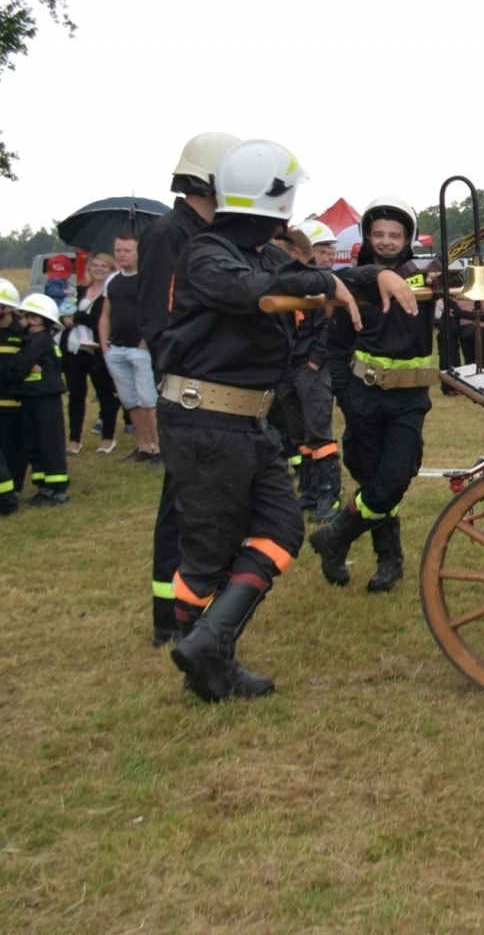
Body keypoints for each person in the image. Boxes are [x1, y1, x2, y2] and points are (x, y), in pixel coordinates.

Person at [160, 139, 361, 701]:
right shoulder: (207, 254)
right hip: (204, 422)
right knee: (208, 554)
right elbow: (253, 292)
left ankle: (209, 644)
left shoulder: (263, 255)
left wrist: (381, 279)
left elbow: (307, 275)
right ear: (280, 199)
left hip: (249, 422)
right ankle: (206, 661)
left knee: (282, 528)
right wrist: (321, 284)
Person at [135, 131, 243, 647]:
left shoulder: (212, 235)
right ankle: (169, 619)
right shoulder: (169, 234)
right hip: (192, 393)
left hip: (218, 390)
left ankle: (199, 605)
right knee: (181, 511)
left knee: (212, 510)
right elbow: (161, 321)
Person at [313, 195, 437, 594]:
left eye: (394, 235)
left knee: (394, 477)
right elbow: (336, 346)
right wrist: (344, 393)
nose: (386, 241)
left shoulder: (426, 275)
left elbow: (459, 291)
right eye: (378, 234)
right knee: (371, 476)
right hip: (363, 395)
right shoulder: (350, 280)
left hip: (409, 397)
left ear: (408, 238)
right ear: (367, 236)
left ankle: (335, 535)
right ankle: (389, 561)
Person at [276, 221, 343, 521]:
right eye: (322, 250)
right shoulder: (283, 279)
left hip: (310, 365)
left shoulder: (323, 283)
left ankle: (330, 493)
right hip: (287, 365)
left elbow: (331, 326)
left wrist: (316, 360)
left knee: (318, 429)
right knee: (298, 431)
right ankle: (311, 490)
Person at [100, 233, 161, 464]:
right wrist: (105, 345)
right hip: (116, 349)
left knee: (149, 400)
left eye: (127, 250)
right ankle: (143, 447)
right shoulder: (112, 280)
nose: (121, 255)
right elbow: (105, 314)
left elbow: (159, 310)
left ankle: (159, 448)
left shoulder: (148, 278)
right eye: (118, 250)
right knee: (130, 401)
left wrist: (148, 339)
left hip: (141, 350)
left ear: (138, 252)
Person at [6, 294, 70, 505]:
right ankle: (44, 488)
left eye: (25, 316)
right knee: (34, 444)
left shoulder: (40, 341)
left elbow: (18, 366)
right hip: (32, 397)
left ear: (37, 320)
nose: (21, 321)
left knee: (50, 444)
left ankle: (59, 491)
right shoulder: (33, 340)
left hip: (45, 400)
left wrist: (16, 369)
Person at [63, 252, 120, 455]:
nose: (98, 269)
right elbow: (66, 311)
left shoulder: (112, 294)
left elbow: (100, 321)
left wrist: (78, 317)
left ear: (111, 269)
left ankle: (107, 437)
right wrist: (66, 319)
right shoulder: (79, 290)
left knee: (105, 394)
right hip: (74, 349)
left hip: (98, 349)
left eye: (103, 266)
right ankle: (74, 439)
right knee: (76, 395)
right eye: (95, 265)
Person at [0, 281, 22, 515]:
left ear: (8, 308)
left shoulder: (22, 334)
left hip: (16, 404)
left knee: (14, 449)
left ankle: (11, 492)